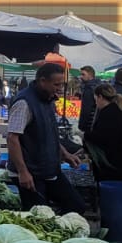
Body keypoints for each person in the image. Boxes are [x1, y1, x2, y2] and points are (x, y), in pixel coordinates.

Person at [6, 62, 89, 214]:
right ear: (42, 81)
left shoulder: (49, 100)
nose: (60, 88)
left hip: (49, 169)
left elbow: (49, 134)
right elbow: (12, 138)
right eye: (56, 84)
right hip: (31, 172)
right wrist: (23, 172)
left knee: (76, 206)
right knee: (38, 217)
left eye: (62, 84)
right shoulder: (24, 103)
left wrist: (65, 154)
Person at [84, 81, 122, 181]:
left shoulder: (109, 113)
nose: (95, 103)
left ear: (100, 97)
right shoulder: (118, 110)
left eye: (95, 99)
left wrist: (85, 135)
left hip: (113, 164)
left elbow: (103, 137)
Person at [76, 65, 99, 139]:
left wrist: (84, 126)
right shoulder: (88, 86)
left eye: (83, 74)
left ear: (90, 75)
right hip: (90, 124)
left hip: (89, 125)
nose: (81, 76)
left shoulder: (92, 88)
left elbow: (88, 109)